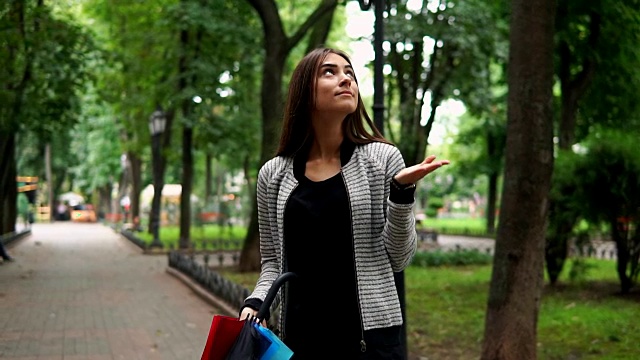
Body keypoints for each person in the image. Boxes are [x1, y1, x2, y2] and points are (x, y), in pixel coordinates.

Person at [238, 47, 450, 359]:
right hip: (298, 339)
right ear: (304, 91)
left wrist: (401, 193)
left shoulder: (382, 160)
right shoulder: (273, 175)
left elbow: (399, 258)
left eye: (349, 73)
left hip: (370, 341)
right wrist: (255, 302)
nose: (345, 79)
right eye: (330, 72)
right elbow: (272, 262)